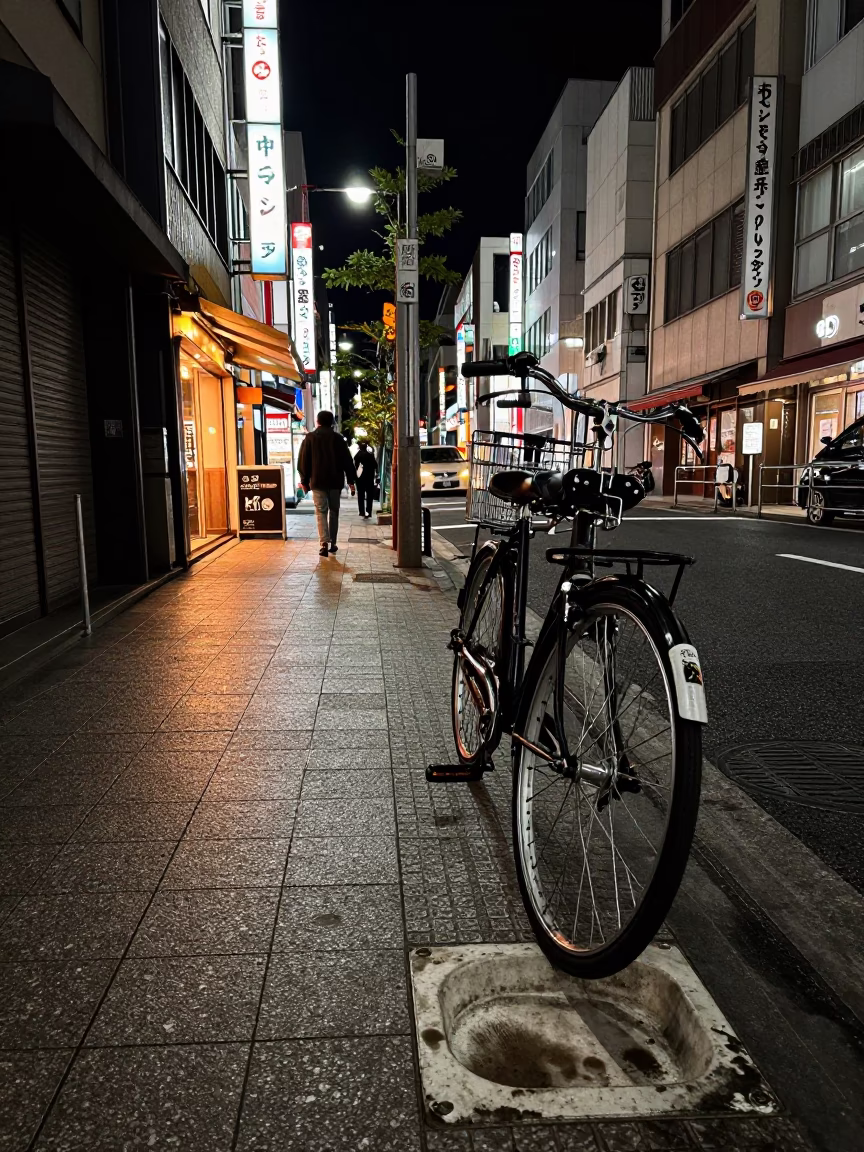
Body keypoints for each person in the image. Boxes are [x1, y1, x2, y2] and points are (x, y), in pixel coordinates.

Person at [297, 411, 357, 557]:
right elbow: (347, 461)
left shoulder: (310, 438)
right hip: (335, 482)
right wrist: (351, 481)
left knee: (321, 512)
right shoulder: (338, 439)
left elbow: (303, 461)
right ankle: (333, 543)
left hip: (317, 481)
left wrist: (304, 481)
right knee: (334, 512)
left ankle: (323, 543)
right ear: (332, 423)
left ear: (317, 421)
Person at [354, 441, 377, 519]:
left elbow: (355, 467)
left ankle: (362, 511)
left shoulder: (357, 456)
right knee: (369, 496)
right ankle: (368, 511)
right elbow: (375, 465)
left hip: (360, 479)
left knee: (360, 495)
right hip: (369, 478)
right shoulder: (370, 455)